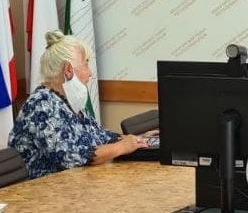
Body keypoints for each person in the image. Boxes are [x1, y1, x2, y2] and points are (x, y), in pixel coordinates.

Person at [10, 31, 148, 179]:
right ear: (68, 70)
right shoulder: (41, 104)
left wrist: (135, 140)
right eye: (86, 64)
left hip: (74, 183)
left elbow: (97, 135)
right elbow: (70, 157)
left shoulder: (67, 99)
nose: (90, 73)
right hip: (43, 188)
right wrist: (120, 147)